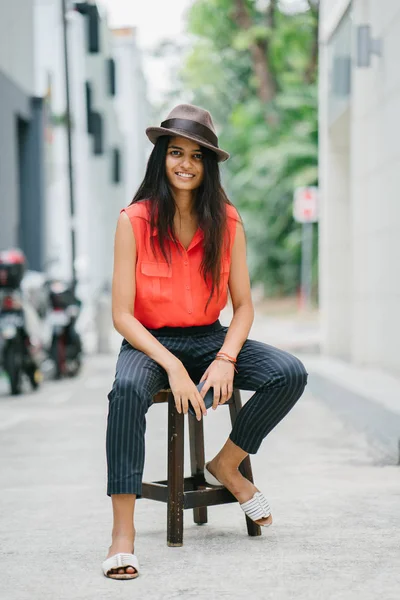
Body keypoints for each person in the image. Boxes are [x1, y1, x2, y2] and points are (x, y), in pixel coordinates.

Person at [102, 104, 308, 580]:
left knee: (288, 372)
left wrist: (225, 357)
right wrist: (173, 366)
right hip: (149, 343)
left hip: (210, 338)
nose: (186, 164)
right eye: (177, 152)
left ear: (208, 165)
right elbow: (121, 315)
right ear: (162, 157)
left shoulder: (228, 221)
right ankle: (122, 535)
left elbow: (244, 306)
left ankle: (228, 464)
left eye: (197, 156)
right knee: (127, 392)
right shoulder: (133, 221)